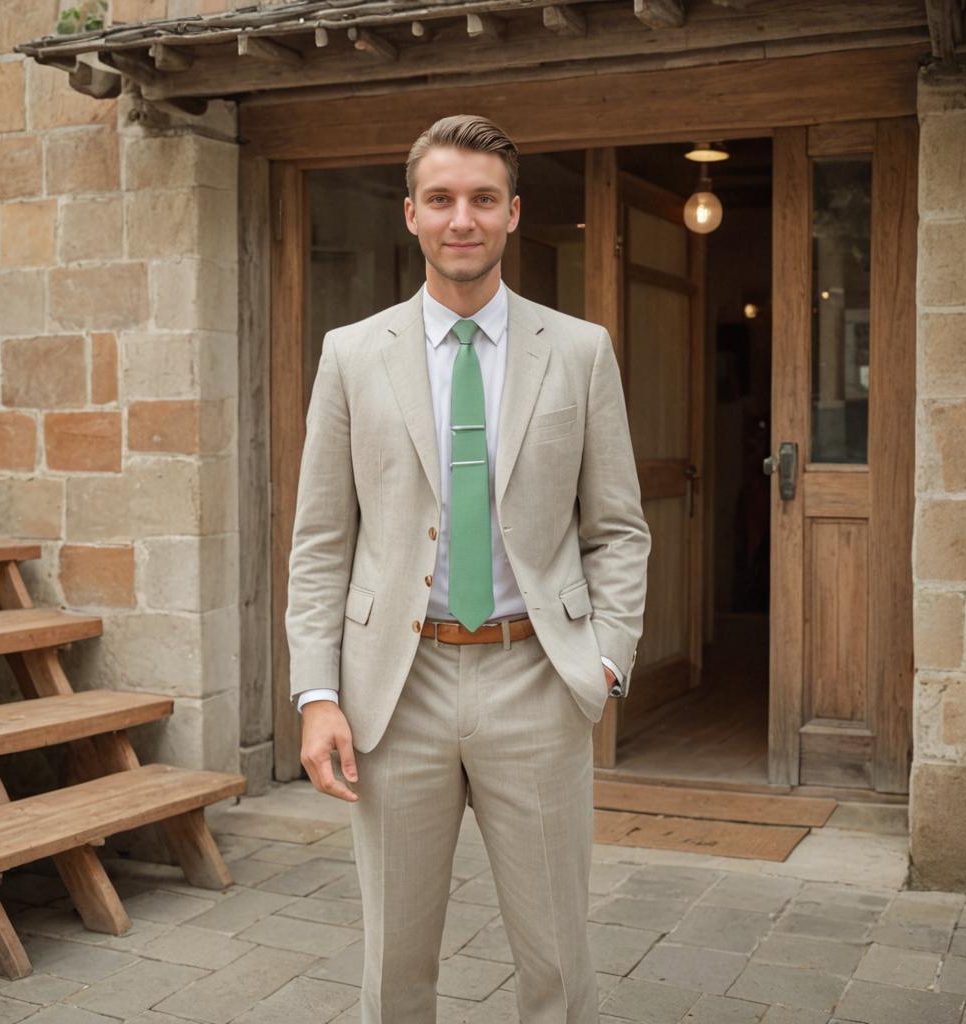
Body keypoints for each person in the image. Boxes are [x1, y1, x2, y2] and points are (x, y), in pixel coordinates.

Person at [285, 113, 651, 1023]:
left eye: (483, 199)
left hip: (536, 675)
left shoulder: (579, 351)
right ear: (410, 214)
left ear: (514, 214)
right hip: (392, 694)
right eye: (441, 199)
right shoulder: (350, 354)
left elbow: (618, 529)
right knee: (395, 969)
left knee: (558, 964)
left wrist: (605, 660)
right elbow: (322, 541)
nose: (462, 219)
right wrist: (316, 693)